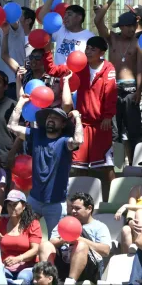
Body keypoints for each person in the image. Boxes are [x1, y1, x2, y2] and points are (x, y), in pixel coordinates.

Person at [42, 36, 117, 184]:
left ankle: (109, 200)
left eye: (92, 49)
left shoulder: (109, 68)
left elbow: (111, 94)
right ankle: (77, 199)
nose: (88, 51)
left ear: (101, 52)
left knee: (105, 166)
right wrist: (47, 52)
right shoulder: (79, 65)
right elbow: (52, 70)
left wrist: (108, 116)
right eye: (87, 48)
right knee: (78, 166)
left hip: (101, 125)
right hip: (81, 124)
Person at [8, 99, 83, 237]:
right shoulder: (36, 135)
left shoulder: (65, 141)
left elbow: (78, 140)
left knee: (54, 241)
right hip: (34, 199)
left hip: (56, 203)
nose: (51, 119)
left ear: (63, 124)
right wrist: (21, 103)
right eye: (49, 117)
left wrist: (77, 118)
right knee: (24, 236)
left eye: (55, 118)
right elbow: (12, 126)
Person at [94, 0, 142, 164]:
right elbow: (98, 21)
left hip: (131, 90)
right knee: (115, 131)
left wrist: (139, 91)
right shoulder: (112, 39)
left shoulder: (137, 42)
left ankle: (136, 165)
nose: (132, 29)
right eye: (129, 26)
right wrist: (110, 1)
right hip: (113, 89)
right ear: (121, 26)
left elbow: (140, 68)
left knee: (134, 130)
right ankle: (118, 166)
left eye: (134, 25)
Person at [39, 193, 111, 284]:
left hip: (87, 268)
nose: (73, 211)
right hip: (63, 263)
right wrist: (64, 239)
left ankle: (71, 281)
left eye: (77, 208)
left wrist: (79, 239)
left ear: (89, 208)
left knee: (81, 245)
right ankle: (48, 279)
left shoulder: (99, 226)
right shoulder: (65, 223)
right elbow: (52, 242)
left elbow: (106, 250)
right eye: (72, 208)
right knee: (45, 245)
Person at [0, 23, 61, 106]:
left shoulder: (52, 78)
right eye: (31, 57)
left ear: (45, 60)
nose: (33, 61)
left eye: (38, 58)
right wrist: (6, 33)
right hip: (27, 112)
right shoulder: (25, 73)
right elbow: (4, 56)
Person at [38, 0, 95, 65]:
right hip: (58, 76)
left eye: (69, 14)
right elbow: (42, 17)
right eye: (65, 14)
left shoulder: (90, 37)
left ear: (79, 18)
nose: (65, 17)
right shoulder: (60, 29)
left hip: (77, 77)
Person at [0, 190, 42, 284]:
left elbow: (35, 249)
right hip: (5, 266)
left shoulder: (33, 224)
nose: (12, 208)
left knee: (22, 277)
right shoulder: (1, 224)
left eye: (15, 204)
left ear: (23, 206)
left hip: (28, 266)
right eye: (9, 205)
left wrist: (18, 258)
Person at [114, 185, 142, 253]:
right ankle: (128, 258)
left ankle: (139, 246)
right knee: (125, 229)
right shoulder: (137, 189)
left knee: (139, 212)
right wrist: (130, 221)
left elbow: (130, 207)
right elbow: (131, 211)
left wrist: (126, 206)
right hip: (138, 225)